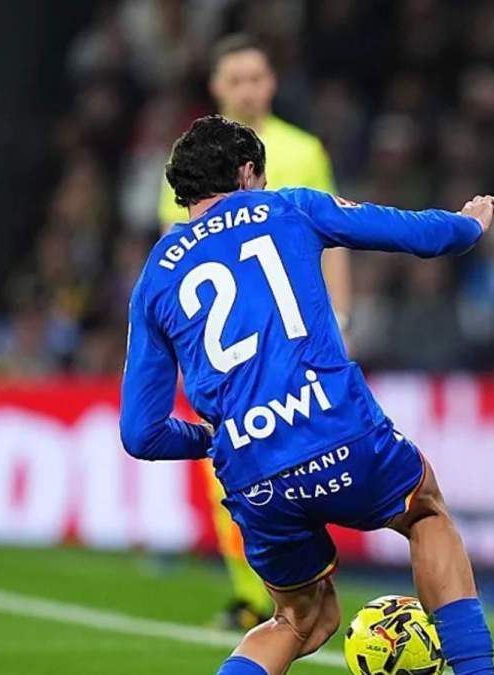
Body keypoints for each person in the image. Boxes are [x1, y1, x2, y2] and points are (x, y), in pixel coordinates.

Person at [122, 114, 494, 675]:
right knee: (424, 513)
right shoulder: (287, 207)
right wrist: (468, 225)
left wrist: (215, 438)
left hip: (252, 469)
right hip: (338, 431)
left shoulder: (154, 277)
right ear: (248, 172)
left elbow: (141, 433)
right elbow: (410, 232)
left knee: (301, 621)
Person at [158, 34, 350, 628]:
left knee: (303, 452)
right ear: (216, 87)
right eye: (234, 78)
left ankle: (300, 585)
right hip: (225, 349)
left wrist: (341, 318)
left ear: (271, 83)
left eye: (256, 77)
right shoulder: (189, 161)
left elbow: (335, 231)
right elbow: (172, 255)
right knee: (228, 466)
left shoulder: (302, 150)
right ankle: (253, 594)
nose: (246, 88)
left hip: (293, 337)